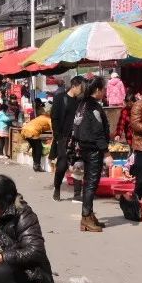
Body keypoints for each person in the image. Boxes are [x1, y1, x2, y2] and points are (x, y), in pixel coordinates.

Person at [72, 76, 110, 232]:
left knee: (88, 183)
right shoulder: (93, 107)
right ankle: (86, 217)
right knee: (91, 184)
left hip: (84, 147)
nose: (105, 91)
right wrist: (106, 153)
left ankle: (88, 215)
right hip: (93, 150)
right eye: (104, 88)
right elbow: (98, 131)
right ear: (98, 90)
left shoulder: (82, 104)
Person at [52, 75, 86, 202]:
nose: (82, 90)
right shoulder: (60, 98)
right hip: (63, 137)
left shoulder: (80, 101)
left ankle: (77, 193)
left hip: (77, 137)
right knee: (61, 165)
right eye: (81, 87)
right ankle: (57, 187)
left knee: (78, 163)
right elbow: (54, 117)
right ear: (74, 86)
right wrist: (57, 136)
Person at [20, 103, 52, 172]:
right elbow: (53, 129)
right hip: (32, 132)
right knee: (39, 148)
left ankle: (35, 165)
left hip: (25, 130)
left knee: (35, 147)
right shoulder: (48, 119)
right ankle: (37, 165)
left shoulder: (41, 117)